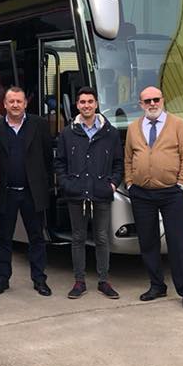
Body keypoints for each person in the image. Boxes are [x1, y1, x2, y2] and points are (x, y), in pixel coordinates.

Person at [124, 86, 183, 310]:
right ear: (141, 105)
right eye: (147, 101)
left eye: (156, 100)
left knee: (178, 242)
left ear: (163, 101)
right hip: (141, 194)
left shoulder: (178, 125)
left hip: (171, 193)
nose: (152, 104)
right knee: (148, 242)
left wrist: (181, 184)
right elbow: (128, 158)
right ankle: (157, 285)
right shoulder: (133, 128)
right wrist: (129, 183)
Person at [55, 86, 124, 300]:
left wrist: (111, 185)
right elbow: (60, 163)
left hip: (101, 193)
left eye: (90, 101)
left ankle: (104, 281)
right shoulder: (68, 132)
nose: (86, 105)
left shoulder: (110, 132)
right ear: (77, 105)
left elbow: (118, 163)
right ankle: (79, 281)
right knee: (78, 238)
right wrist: (67, 184)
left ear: (96, 104)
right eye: (82, 102)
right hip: (76, 194)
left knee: (102, 238)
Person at [0, 86, 53, 296]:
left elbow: (47, 158)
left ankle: (39, 279)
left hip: (31, 193)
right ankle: (2, 279)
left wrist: (45, 185)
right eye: (11, 101)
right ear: (5, 104)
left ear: (25, 103)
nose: (15, 105)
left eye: (19, 101)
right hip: (6, 193)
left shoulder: (39, 125)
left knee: (36, 238)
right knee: (3, 238)